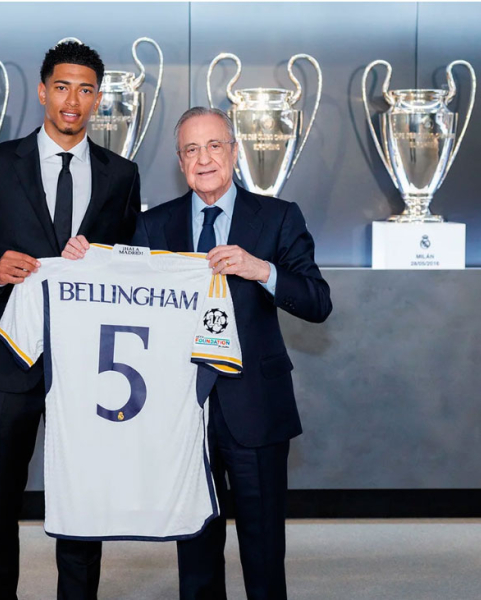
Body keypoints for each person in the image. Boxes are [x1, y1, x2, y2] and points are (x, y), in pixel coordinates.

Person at [0, 41, 140, 600]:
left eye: (84, 90)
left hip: (88, 365)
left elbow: (128, 264)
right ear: (42, 91)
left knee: (81, 499)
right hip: (9, 357)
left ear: (98, 99)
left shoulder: (121, 175)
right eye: (62, 87)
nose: (72, 101)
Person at [132, 106, 332, 599]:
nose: (204, 159)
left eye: (214, 145)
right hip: (184, 414)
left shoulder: (279, 217)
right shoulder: (153, 226)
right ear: (180, 162)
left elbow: (317, 302)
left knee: (263, 553)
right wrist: (82, 260)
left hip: (256, 408)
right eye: (191, 150)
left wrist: (262, 270)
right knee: (195, 553)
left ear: (234, 152)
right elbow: (126, 298)